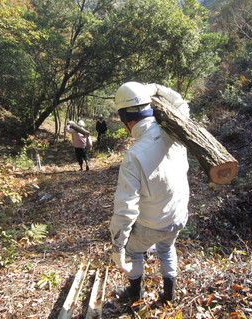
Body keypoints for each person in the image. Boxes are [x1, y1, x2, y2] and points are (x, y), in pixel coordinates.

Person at [109, 81, 190, 305]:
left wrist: (118, 246)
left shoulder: (134, 157)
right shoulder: (177, 131)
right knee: (166, 247)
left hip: (152, 225)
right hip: (178, 216)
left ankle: (135, 293)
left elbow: (125, 210)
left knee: (134, 252)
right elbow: (181, 104)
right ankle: (169, 296)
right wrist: (155, 87)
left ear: (127, 120)